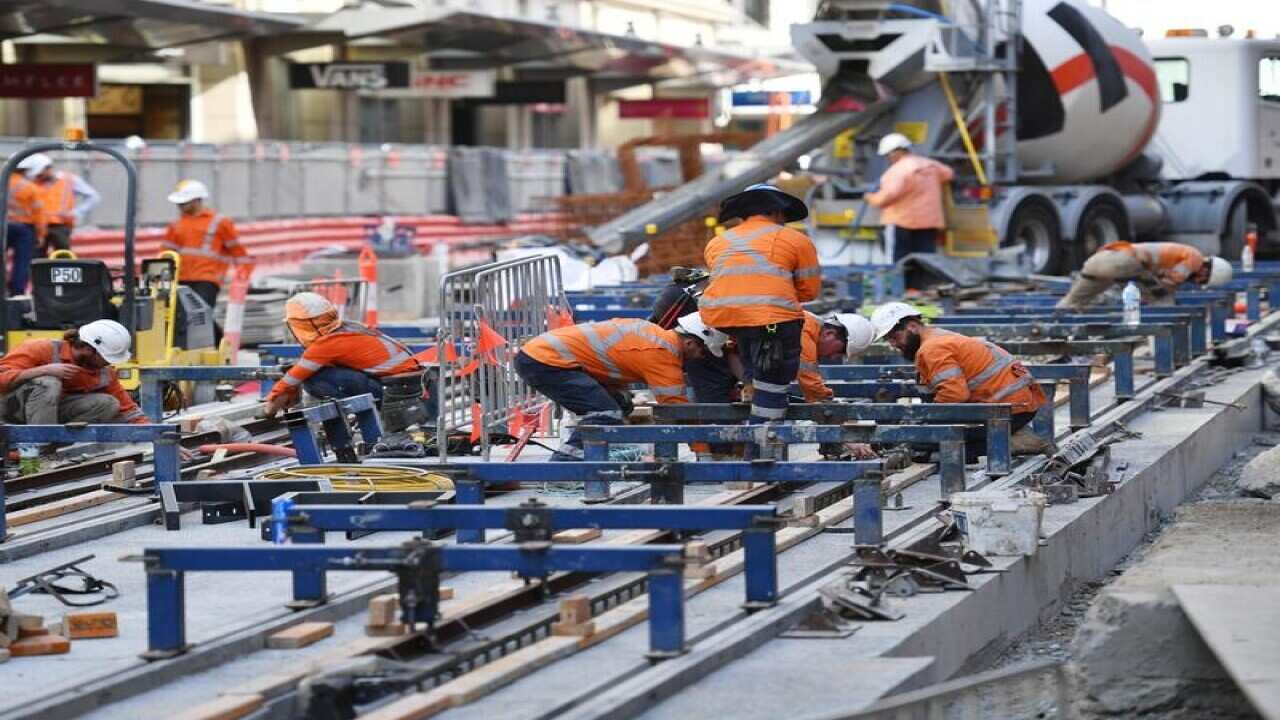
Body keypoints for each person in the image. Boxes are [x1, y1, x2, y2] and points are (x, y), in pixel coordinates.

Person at [514, 315, 724, 460]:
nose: (701, 359)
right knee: (606, 413)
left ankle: (591, 453)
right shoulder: (662, 354)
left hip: (543, 356)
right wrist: (702, 452)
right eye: (702, 352)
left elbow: (610, 357)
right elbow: (678, 411)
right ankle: (564, 467)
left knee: (621, 405)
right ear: (689, 343)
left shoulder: (653, 333)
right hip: (547, 362)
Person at [702, 183, 820, 426]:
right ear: (776, 211)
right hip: (772, 324)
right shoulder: (796, 240)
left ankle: (751, 386)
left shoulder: (717, 242)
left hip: (726, 321)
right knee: (773, 384)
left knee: (755, 366)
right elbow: (809, 291)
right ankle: (761, 446)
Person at [871, 301, 1050, 459]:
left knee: (927, 443)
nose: (893, 344)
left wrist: (924, 423)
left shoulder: (932, 348)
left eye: (895, 337)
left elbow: (954, 395)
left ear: (912, 326)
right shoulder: (937, 337)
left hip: (1009, 410)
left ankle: (1019, 443)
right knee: (928, 437)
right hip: (1013, 405)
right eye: (889, 340)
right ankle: (1013, 435)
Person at [263, 293, 423, 418]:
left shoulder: (328, 343)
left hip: (395, 391)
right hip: (410, 385)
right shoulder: (348, 327)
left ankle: (364, 416)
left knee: (313, 378)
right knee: (318, 372)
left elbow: (294, 377)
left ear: (303, 325)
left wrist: (269, 407)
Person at [0, 319, 146, 426]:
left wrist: (153, 435)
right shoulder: (40, 348)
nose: (109, 363)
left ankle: (55, 445)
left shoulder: (104, 372)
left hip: (48, 416)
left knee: (108, 404)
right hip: (10, 412)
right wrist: (43, 370)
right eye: (106, 358)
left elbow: (129, 410)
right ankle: (39, 446)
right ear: (89, 350)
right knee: (49, 383)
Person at [1056, 241, 1232, 310]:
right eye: (1203, 280)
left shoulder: (1184, 254)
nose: (1197, 282)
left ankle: (1054, 320)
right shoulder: (1195, 258)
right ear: (1207, 271)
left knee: (1073, 301)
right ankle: (1162, 341)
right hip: (1125, 263)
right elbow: (1171, 282)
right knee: (1163, 300)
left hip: (1097, 261)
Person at [161, 179, 249, 311]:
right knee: (181, 319)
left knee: (201, 315)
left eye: (183, 202)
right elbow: (166, 254)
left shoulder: (220, 222)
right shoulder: (176, 225)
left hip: (207, 279)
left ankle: (216, 332)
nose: (179, 206)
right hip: (180, 279)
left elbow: (238, 252)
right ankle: (217, 333)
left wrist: (244, 276)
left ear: (197, 200)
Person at [864, 133, 955, 262]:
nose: (888, 158)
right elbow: (949, 174)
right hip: (928, 223)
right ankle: (922, 282)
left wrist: (869, 197)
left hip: (901, 223)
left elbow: (886, 198)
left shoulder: (897, 171)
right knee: (926, 262)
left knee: (897, 263)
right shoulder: (931, 166)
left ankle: (901, 282)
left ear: (895, 152)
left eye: (888, 154)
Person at [18, 153, 100, 254]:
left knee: (63, 256)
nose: (38, 177)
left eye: (40, 174)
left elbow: (93, 196)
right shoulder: (33, 182)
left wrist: (76, 212)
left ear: (47, 168)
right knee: (36, 257)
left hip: (61, 226)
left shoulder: (69, 180)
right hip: (39, 226)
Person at [798, 311, 876, 402]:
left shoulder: (808, 324)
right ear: (829, 334)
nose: (833, 357)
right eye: (840, 351)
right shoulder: (805, 330)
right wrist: (827, 397)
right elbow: (811, 384)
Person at [7, 164, 46, 296]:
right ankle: (17, 292)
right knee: (21, 262)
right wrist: (41, 234)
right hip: (23, 228)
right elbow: (39, 212)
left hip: (3, 225)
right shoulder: (30, 187)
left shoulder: (3, 182)